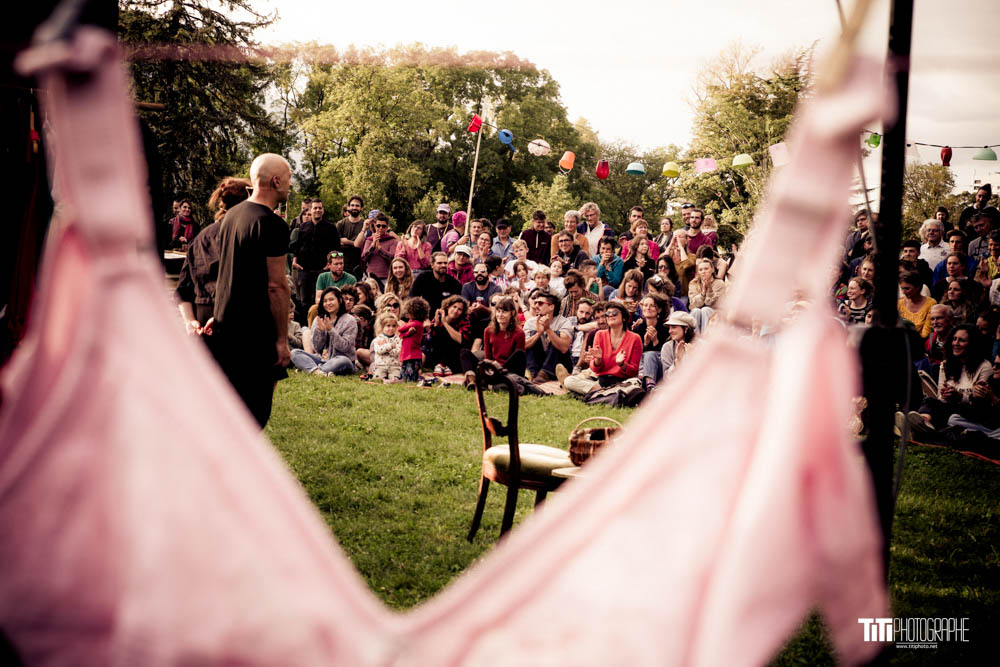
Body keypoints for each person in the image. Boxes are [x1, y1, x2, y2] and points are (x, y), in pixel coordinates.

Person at [210, 153, 292, 428]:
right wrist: (282, 340)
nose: (290, 185)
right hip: (254, 333)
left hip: (225, 328)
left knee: (227, 412)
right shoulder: (272, 224)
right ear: (276, 180)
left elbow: (227, 272)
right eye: (289, 179)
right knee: (254, 413)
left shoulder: (232, 215)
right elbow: (276, 286)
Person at [176, 177, 250, 333]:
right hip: (236, 320)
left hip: (201, 321)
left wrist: (190, 322)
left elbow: (182, 290)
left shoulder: (200, 237)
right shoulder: (244, 235)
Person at [910, 324, 992, 432]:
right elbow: (940, 397)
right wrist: (945, 394)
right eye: (954, 339)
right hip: (948, 408)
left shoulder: (985, 367)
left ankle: (921, 425)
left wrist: (959, 397)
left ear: (972, 344)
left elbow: (980, 404)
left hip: (970, 413)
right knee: (930, 401)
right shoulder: (946, 364)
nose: (956, 344)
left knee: (945, 412)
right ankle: (923, 422)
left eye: (962, 340)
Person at [292, 287, 357, 376]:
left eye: (331, 300)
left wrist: (331, 330)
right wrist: (321, 332)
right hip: (323, 359)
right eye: (325, 301)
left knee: (343, 360)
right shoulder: (318, 319)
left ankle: (313, 369)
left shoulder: (350, 320)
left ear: (340, 300)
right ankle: (319, 372)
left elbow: (345, 347)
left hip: (342, 360)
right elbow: (316, 348)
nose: (328, 303)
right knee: (294, 353)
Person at [578, 300, 642, 391]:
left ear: (623, 317)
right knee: (570, 381)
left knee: (635, 385)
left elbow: (634, 371)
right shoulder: (599, 334)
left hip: (623, 381)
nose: (611, 315)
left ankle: (599, 392)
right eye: (608, 313)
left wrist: (622, 364)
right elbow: (595, 369)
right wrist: (598, 360)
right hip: (602, 380)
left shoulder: (635, 338)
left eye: (615, 313)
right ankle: (606, 392)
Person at [291, 198, 341, 308]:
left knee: (322, 300)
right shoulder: (303, 227)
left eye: (319, 208)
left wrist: (330, 265)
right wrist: (295, 261)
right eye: (315, 208)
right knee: (304, 301)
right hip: (304, 270)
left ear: (323, 210)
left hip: (323, 270)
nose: (317, 210)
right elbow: (298, 246)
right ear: (311, 210)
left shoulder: (331, 228)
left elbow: (337, 250)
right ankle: (306, 324)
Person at [522, 292, 574, 383]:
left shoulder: (564, 322)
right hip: (539, 363)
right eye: (535, 303)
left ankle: (545, 373)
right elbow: (523, 346)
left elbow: (564, 348)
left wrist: (548, 329)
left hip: (560, 364)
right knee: (534, 335)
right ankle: (534, 374)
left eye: (540, 303)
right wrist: (539, 333)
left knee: (557, 334)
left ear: (551, 307)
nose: (536, 306)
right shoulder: (530, 322)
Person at [632, 293, 670, 390]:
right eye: (645, 305)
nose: (648, 308)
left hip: (659, 367)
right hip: (641, 366)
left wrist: (655, 341)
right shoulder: (638, 328)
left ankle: (649, 386)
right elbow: (635, 353)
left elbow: (667, 354)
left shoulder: (666, 328)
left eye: (652, 305)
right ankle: (643, 383)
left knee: (650, 355)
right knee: (644, 355)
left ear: (659, 310)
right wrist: (645, 344)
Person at [427, 295, 472, 375]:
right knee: (439, 330)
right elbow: (430, 339)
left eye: (459, 309)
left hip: (454, 354)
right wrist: (436, 324)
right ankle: (440, 365)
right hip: (438, 354)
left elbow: (461, 340)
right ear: (448, 307)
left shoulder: (464, 321)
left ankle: (446, 366)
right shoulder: (439, 317)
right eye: (454, 307)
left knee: (447, 333)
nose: (455, 311)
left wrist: (445, 323)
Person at [409, 251, 462, 316]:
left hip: (447, 318)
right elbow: (412, 299)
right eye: (439, 263)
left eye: (445, 263)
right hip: (425, 317)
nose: (443, 265)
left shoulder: (454, 283)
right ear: (432, 265)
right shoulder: (423, 278)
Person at [359, 213, 399, 290]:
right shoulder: (369, 240)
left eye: (383, 226)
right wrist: (372, 246)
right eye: (378, 226)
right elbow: (363, 258)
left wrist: (380, 248)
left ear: (387, 227)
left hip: (386, 277)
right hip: (371, 277)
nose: (380, 228)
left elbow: (392, 258)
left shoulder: (392, 240)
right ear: (374, 226)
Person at [687, 258, 726, 332]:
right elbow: (692, 305)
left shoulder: (719, 283)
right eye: (700, 270)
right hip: (698, 312)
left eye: (706, 269)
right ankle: (694, 337)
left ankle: (707, 336)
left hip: (716, 313)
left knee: (705, 309)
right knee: (695, 311)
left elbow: (717, 305)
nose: (703, 272)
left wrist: (710, 290)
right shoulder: (693, 283)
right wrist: (703, 293)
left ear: (712, 270)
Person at [398, 296, 429, 382]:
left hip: (412, 354)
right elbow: (401, 335)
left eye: (408, 312)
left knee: (410, 375)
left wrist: (402, 325)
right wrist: (408, 333)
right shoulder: (412, 322)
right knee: (404, 373)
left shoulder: (416, 323)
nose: (406, 314)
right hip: (407, 352)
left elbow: (400, 329)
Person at [898, 270, 937, 339]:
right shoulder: (899, 304)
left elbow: (926, 334)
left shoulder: (931, 303)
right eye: (902, 288)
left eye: (907, 288)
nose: (904, 292)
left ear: (917, 287)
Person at [367, 311, 403, 383]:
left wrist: (385, 348)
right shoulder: (378, 339)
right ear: (382, 327)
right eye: (388, 326)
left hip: (394, 366)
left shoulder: (398, 339)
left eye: (393, 326)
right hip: (381, 365)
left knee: (396, 377)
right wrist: (390, 346)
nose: (391, 328)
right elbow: (379, 350)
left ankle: (392, 379)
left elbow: (397, 352)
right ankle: (382, 378)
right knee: (378, 378)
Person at [660, 310, 697, 377]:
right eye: (669, 328)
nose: (670, 331)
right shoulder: (667, 347)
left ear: (686, 328)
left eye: (674, 327)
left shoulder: (702, 345)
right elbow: (667, 378)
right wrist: (677, 361)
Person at [336, 195, 366, 275]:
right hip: (342, 265)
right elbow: (336, 245)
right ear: (348, 207)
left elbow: (362, 245)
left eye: (357, 206)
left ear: (361, 208)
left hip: (360, 266)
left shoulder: (365, 225)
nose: (354, 207)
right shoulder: (340, 224)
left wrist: (348, 242)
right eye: (352, 205)